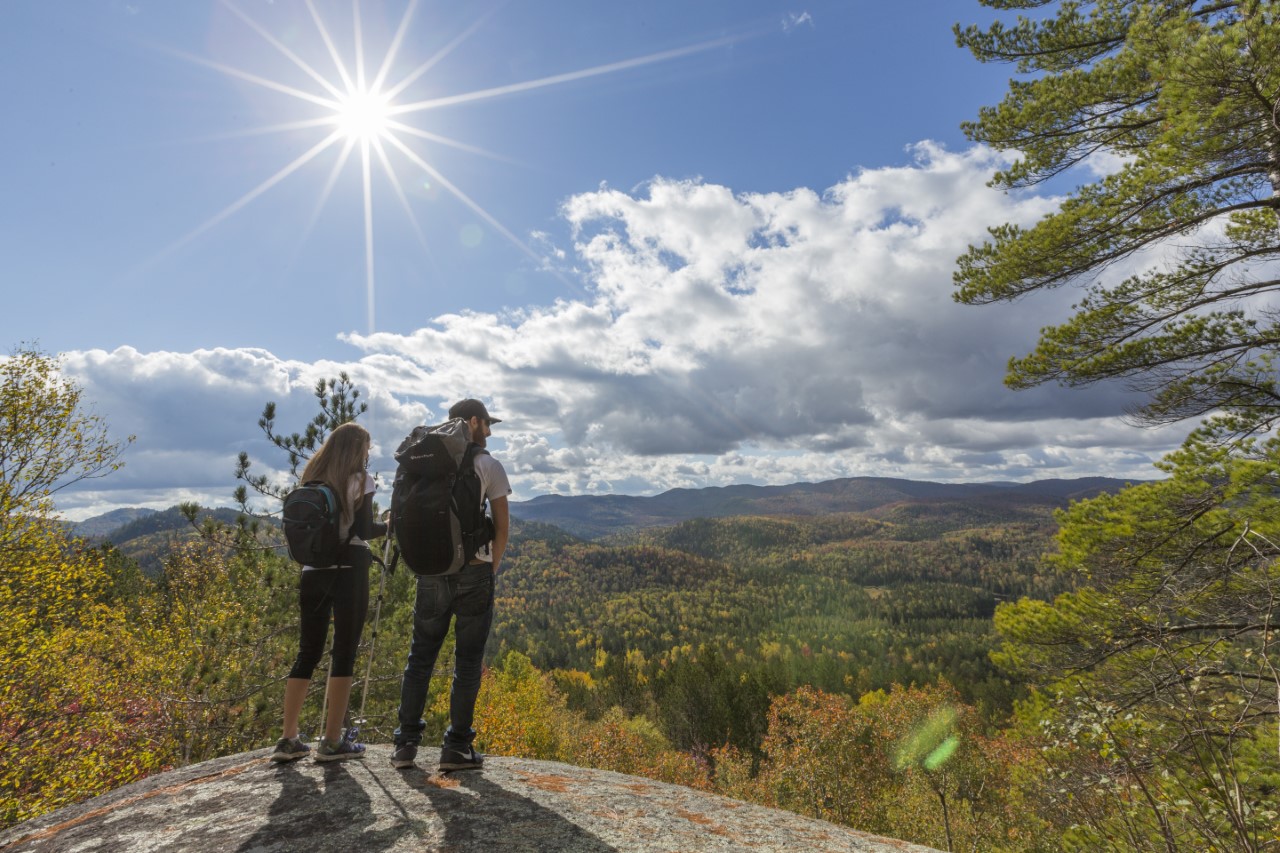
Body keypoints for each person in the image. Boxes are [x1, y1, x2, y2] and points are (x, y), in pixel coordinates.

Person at [392, 398, 512, 771]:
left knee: (420, 657)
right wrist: (490, 569)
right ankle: (457, 747)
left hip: (429, 572)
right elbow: (504, 526)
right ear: (473, 421)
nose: (489, 432)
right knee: (468, 661)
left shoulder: (423, 464)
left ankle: (405, 745)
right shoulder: (486, 464)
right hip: (474, 570)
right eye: (487, 424)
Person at [271, 421, 386, 763]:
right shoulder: (361, 480)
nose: (369, 453)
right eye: (367, 447)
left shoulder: (313, 479)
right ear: (356, 449)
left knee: (307, 651)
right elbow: (364, 528)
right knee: (344, 652)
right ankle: (333, 741)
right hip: (349, 566)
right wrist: (390, 525)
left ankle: (288, 738)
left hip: (311, 570)